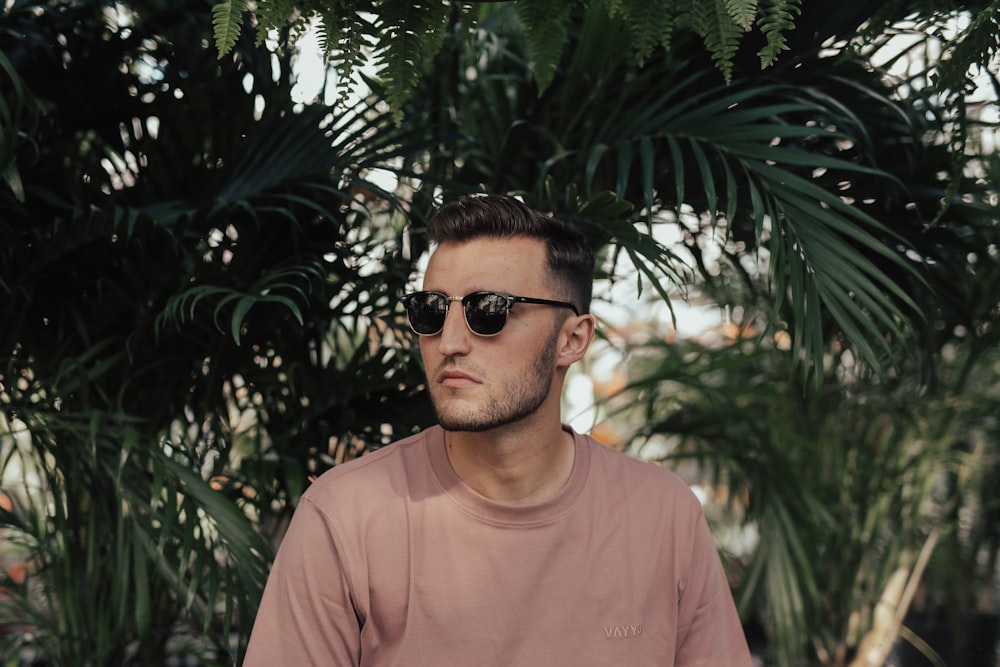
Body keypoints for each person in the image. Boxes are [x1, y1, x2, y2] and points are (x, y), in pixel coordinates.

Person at [243, 195, 754, 666]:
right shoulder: (346, 516)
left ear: (572, 339)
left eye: (489, 311)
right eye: (432, 311)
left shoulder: (661, 516)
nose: (449, 342)